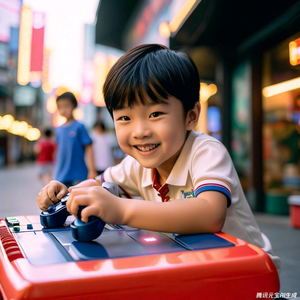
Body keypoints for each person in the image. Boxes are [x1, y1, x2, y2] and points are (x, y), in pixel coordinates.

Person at [37, 44, 280, 271]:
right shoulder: (135, 165)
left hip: (250, 272)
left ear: (191, 115)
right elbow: (98, 185)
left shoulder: (205, 151)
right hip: (198, 268)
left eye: (155, 114)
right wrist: (68, 193)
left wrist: (120, 209)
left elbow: (210, 214)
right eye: (124, 118)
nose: (140, 131)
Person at [53, 91, 97, 188]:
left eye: (66, 106)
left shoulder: (79, 127)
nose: (63, 110)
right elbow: (58, 151)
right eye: (60, 107)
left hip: (78, 175)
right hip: (61, 175)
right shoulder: (58, 130)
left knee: (78, 200)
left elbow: (89, 149)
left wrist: (92, 171)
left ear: (74, 106)